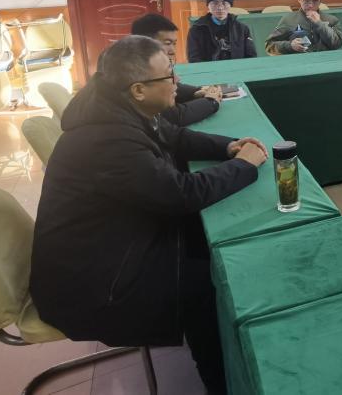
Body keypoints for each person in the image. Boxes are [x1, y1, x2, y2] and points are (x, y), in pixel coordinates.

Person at [30, 36, 268, 394]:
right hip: (94, 286)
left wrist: (228, 146)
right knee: (209, 283)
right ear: (139, 89)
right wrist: (244, 166)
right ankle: (222, 383)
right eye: (169, 75)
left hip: (112, 245)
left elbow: (173, 136)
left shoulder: (116, 105)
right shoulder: (106, 138)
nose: (176, 82)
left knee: (203, 242)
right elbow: (180, 194)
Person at [130, 13, 222, 126]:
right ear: (145, 43)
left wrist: (195, 92)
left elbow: (168, 85)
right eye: (167, 43)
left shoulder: (144, 60)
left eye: (174, 44)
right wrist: (211, 102)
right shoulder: (134, 70)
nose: (173, 51)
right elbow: (173, 116)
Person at [264, 0, 342, 55]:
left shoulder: (332, 20)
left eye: (315, 1)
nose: (310, 5)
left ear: (320, 1)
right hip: (299, 62)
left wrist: (320, 24)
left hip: (326, 61)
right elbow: (269, 45)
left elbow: (337, 45)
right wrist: (290, 45)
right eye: (306, 0)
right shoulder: (289, 19)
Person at [186, 0, 257, 62]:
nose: (220, 7)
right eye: (215, 3)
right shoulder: (196, 30)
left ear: (230, 5)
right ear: (208, 6)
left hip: (237, 68)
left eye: (224, 3)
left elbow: (251, 57)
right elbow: (194, 59)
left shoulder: (242, 29)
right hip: (209, 69)